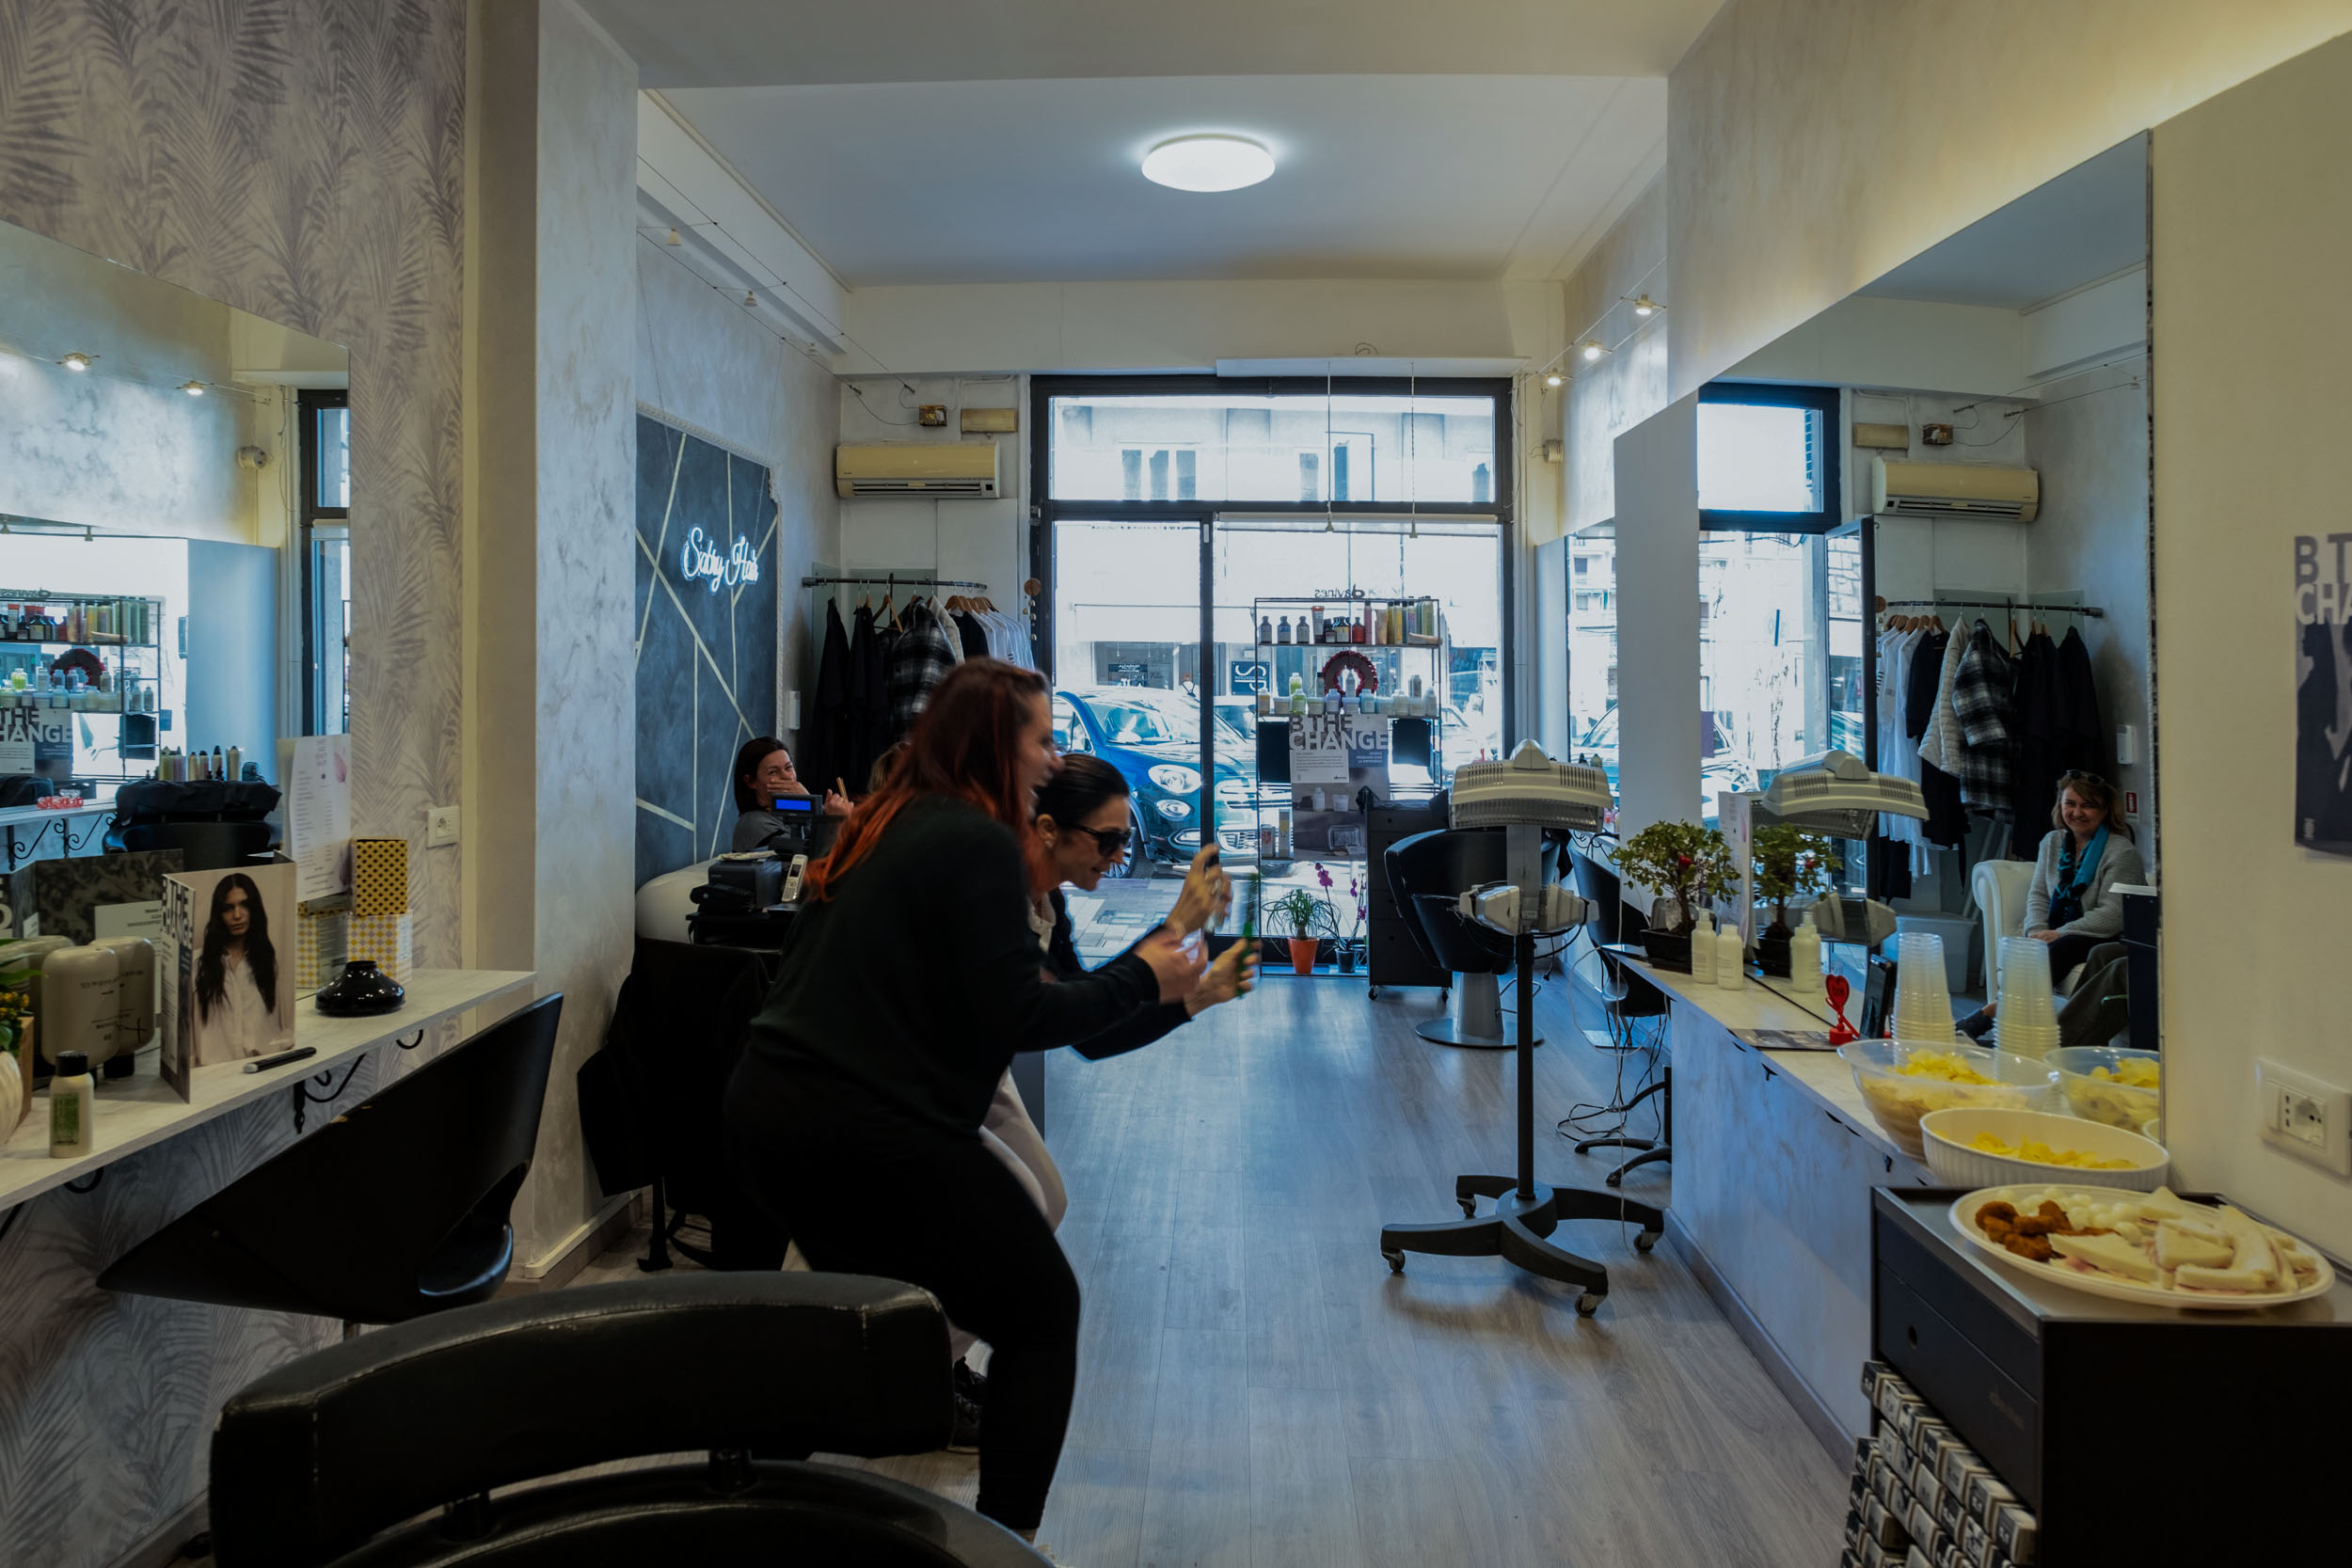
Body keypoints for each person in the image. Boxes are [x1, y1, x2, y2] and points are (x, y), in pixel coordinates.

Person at [723, 658, 1207, 1544]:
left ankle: (747, 1482)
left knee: (867, 1317)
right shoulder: (974, 840)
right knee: (1042, 1311)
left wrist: (1164, 983)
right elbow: (1021, 1015)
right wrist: (1148, 971)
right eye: (1041, 738)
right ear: (992, 742)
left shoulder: (892, 819)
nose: (1053, 757)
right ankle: (1002, 1548)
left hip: (772, 1111)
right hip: (858, 1120)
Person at [1960, 771, 2146, 1038]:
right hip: (2062, 933)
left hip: (2103, 933)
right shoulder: (2052, 842)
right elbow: (2038, 895)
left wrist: (2059, 933)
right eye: (2070, 804)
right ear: (2060, 805)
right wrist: (2036, 931)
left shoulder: (2121, 852)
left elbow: (2114, 914)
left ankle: (1992, 1013)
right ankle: (2020, 1031)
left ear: (2105, 811)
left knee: (2062, 947)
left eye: (2088, 806)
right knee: (2042, 947)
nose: (2077, 812)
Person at [186, 872, 290, 1065]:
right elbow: (189, 1035)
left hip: (262, 1070)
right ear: (219, 914)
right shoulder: (197, 965)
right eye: (228, 908)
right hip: (215, 1075)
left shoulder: (267, 961)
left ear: (254, 909)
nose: (237, 915)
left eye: (244, 905)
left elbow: (279, 1027)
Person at [729, 736, 850, 852]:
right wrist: (835, 821)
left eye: (788, 768)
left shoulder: (794, 811)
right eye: (773, 772)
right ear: (751, 782)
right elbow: (809, 857)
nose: (787, 776)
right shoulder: (753, 823)